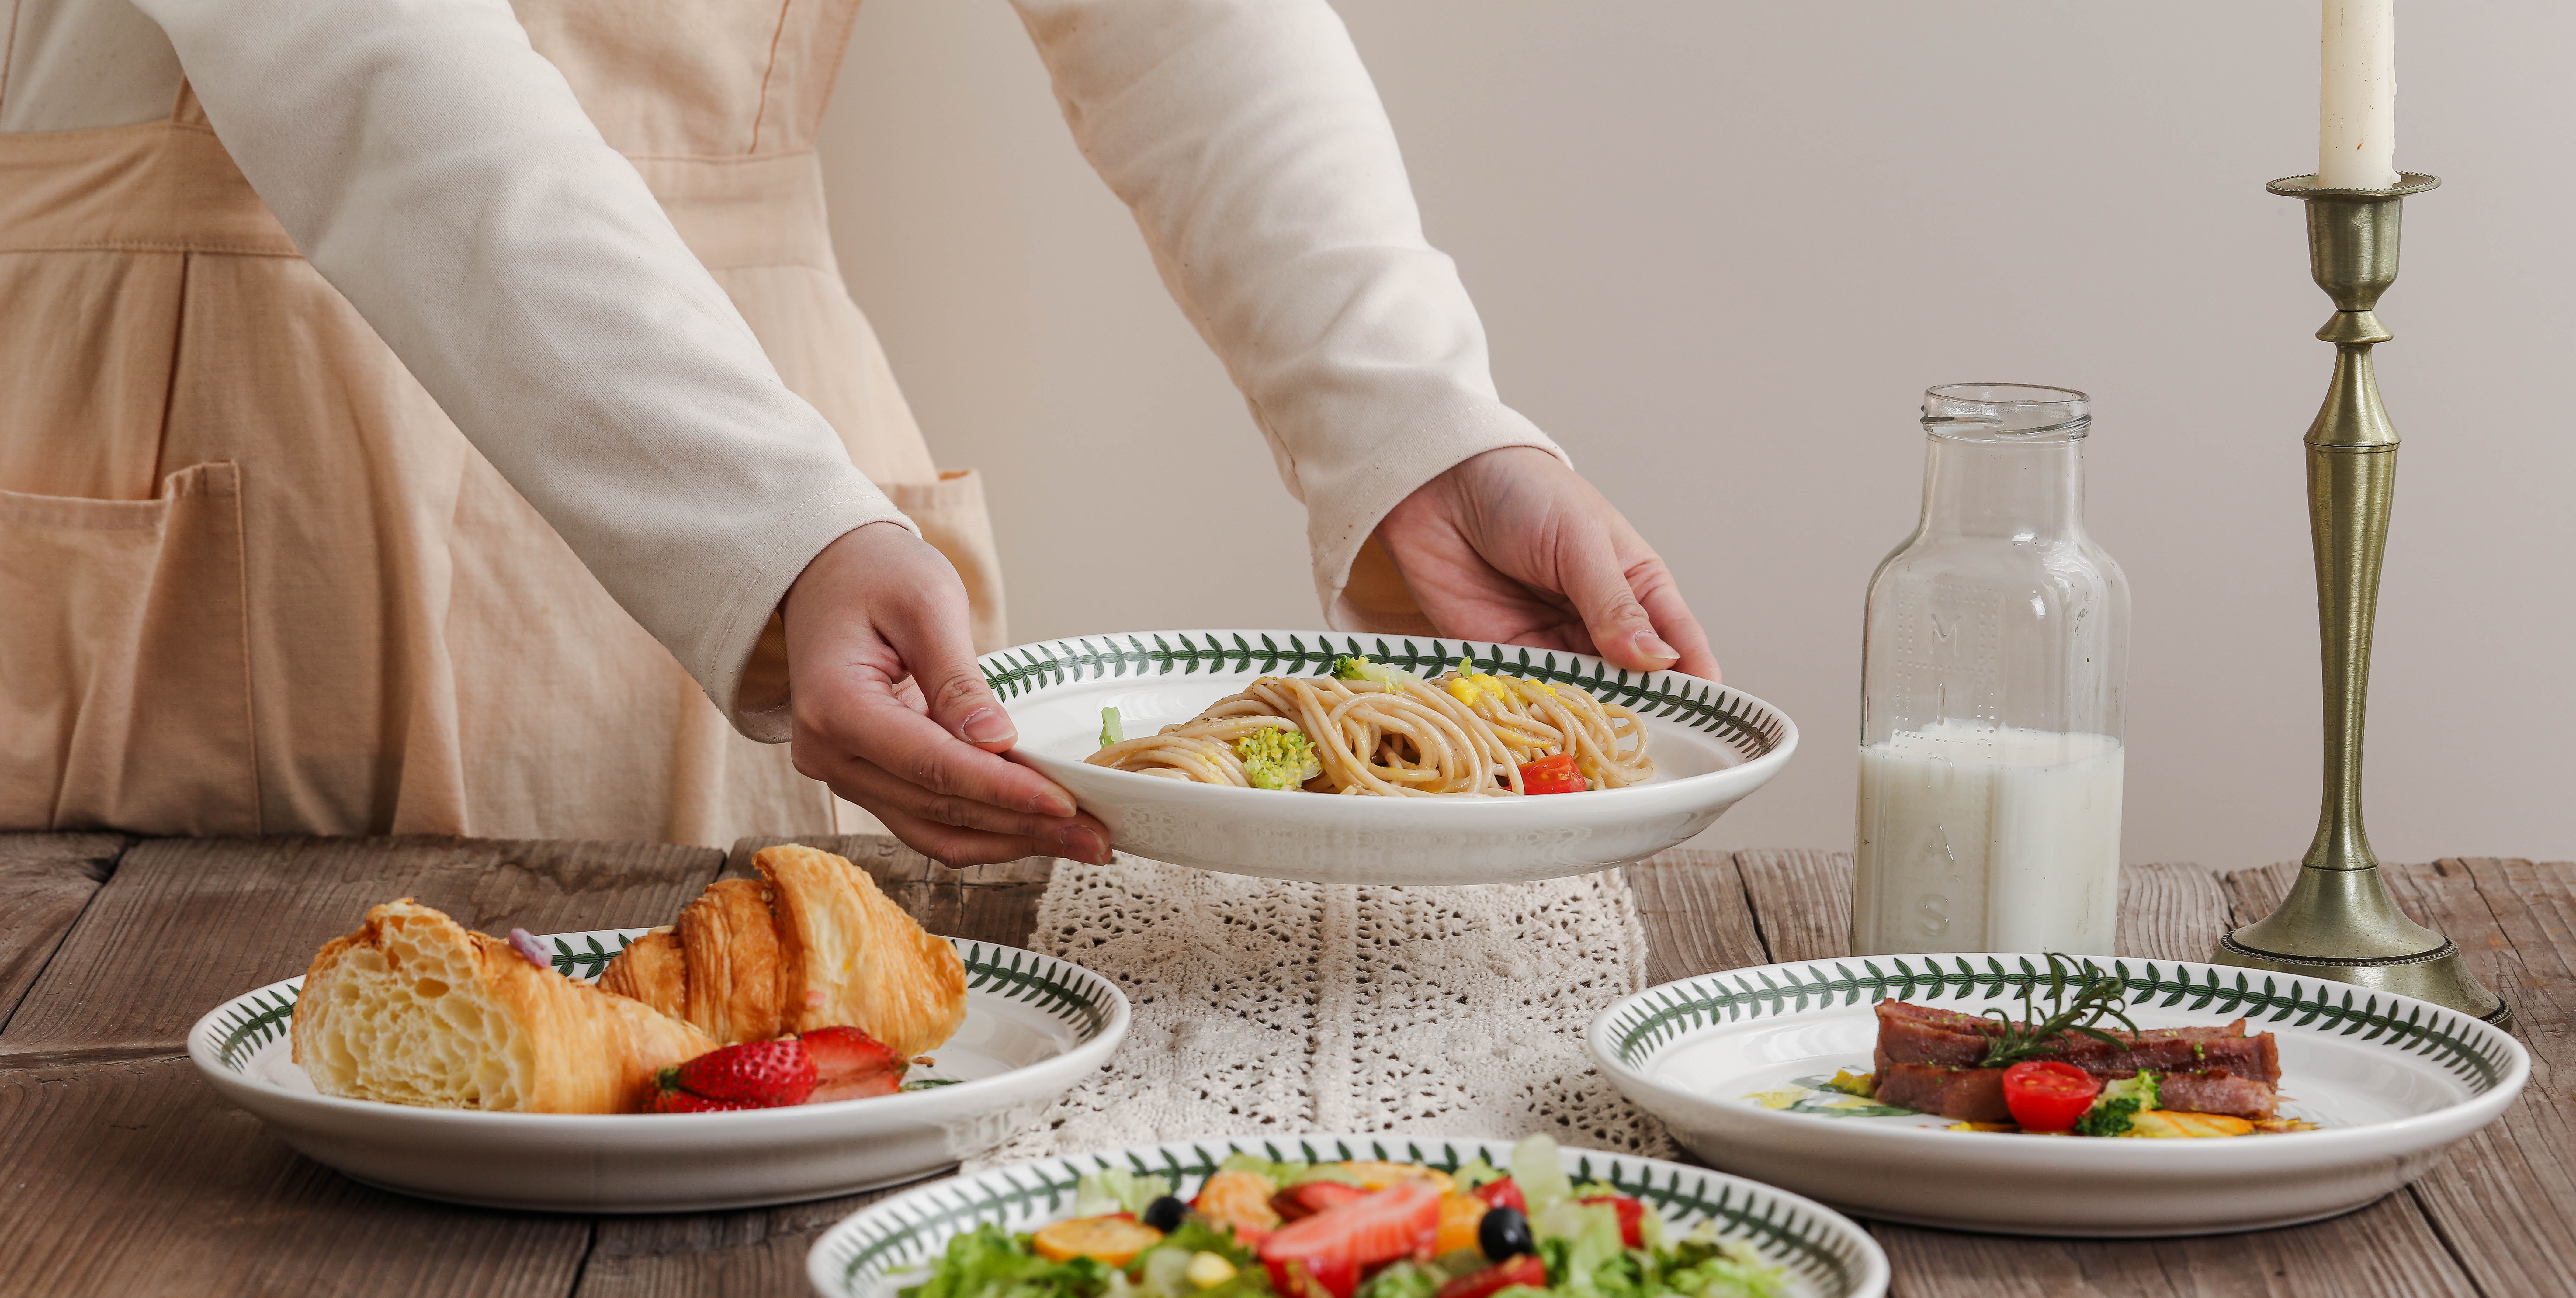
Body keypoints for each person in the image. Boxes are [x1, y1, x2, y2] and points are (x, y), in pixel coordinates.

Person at [0, 0, 1714, 866]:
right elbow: (351, 43)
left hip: (790, 511)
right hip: (227, 427)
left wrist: (1409, 423)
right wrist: (767, 527)